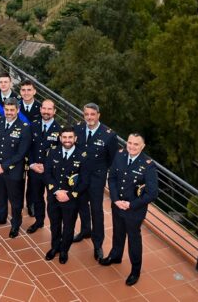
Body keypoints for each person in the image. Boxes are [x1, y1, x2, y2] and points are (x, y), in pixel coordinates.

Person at [101, 133, 158, 287]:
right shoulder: (120, 155)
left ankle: (135, 270)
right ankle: (116, 256)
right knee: (117, 232)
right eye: (130, 143)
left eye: (136, 144)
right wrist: (115, 199)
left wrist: (131, 205)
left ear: (143, 146)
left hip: (134, 210)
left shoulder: (148, 165)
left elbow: (152, 193)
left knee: (133, 239)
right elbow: (112, 177)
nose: (132, 147)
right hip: (117, 204)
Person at [74, 103, 119, 262]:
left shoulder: (109, 135)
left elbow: (113, 160)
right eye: (86, 114)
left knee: (96, 210)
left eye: (92, 114)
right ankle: (85, 230)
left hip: (96, 178)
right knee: (81, 204)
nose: (89, 117)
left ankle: (98, 243)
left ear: (98, 115)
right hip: (80, 176)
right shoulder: (78, 128)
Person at [0, 98, 32, 238]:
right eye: (7, 110)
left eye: (12, 110)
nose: (9, 112)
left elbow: (21, 153)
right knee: (0, 195)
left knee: (15, 200)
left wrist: (3, 166)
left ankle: (15, 224)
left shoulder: (24, 127)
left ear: (18, 110)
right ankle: (1, 217)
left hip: (13, 171)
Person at [44, 127, 90, 264]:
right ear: (60, 138)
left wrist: (69, 195)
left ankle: (64, 250)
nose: (67, 140)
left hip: (71, 199)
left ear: (75, 139)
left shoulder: (83, 156)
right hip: (54, 197)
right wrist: (57, 191)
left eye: (70, 137)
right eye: (64, 137)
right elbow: (47, 174)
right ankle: (55, 247)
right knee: (54, 224)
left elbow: (84, 180)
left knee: (69, 226)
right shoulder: (52, 152)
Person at [26, 99, 62, 234]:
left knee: (52, 201)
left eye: (49, 109)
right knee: (37, 197)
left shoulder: (59, 130)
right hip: (35, 170)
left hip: (51, 173)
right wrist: (32, 164)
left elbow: (60, 154)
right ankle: (39, 221)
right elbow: (28, 147)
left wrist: (46, 167)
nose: (46, 112)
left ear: (54, 111)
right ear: (40, 109)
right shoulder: (33, 125)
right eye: (44, 108)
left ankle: (55, 227)